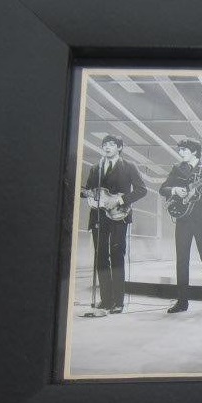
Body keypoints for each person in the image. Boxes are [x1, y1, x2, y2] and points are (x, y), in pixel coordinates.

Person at [83, 134, 148, 313]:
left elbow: (142, 190)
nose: (107, 147)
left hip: (120, 216)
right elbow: (88, 190)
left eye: (112, 144)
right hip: (99, 216)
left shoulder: (129, 166)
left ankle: (118, 302)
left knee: (117, 255)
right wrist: (87, 195)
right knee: (101, 257)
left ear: (119, 147)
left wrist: (119, 200)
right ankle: (106, 300)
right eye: (105, 144)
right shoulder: (96, 167)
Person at [159, 139, 202, 313]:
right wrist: (174, 190)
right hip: (183, 219)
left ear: (194, 151)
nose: (181, 153)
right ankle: (182, 301)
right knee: (182, 259)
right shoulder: (177, 168)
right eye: (180, 150)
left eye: (184, 150)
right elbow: (163, 188)